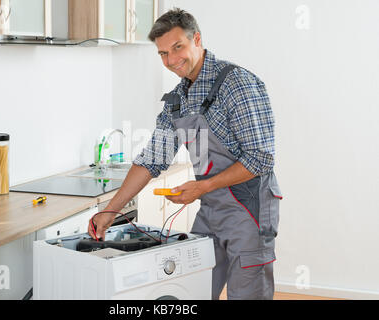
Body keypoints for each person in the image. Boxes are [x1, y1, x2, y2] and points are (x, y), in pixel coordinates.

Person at [88, 8, 282, 300]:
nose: (171, 60)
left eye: (177, 47)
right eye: (163, 53)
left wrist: (202, 186)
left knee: (247, 295)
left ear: (197, 39)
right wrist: (111, 210)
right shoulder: (177, 99)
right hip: (212, 211)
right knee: (194, 290)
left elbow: (261, 158)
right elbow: (152, 159)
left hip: (250, 211)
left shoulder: (237, 84)